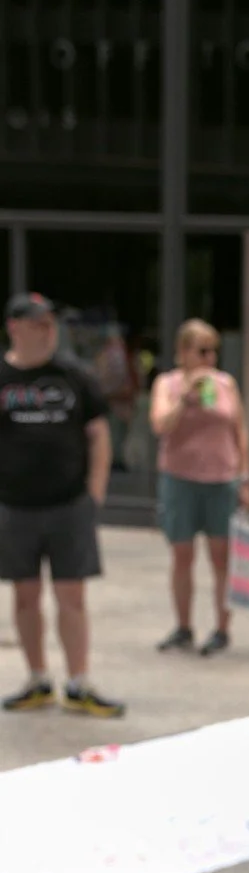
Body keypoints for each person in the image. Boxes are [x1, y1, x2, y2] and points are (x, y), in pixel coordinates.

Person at [0, 291, 123, 717]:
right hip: (14, 506)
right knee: (25, 596)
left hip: (70, 504)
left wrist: (95, 492)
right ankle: (37, 679)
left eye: (51, 324)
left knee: (72, 595)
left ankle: (77, 682)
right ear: (14, 327)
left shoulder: (75, 375)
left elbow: (99, 435)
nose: (48, 331)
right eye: (38, 324)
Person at [149, 318, 249, 656]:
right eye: (202, 351)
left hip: (221, 479)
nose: (210, 358)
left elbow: (239, 432)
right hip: (179, 480)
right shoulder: (167, 383)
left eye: (214, 351)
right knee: (182, 555)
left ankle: (222, 629)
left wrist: (245, 478)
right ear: (183, 352)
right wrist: (185, 397)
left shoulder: (226, 383)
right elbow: (160, 425)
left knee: (220, 557)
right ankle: (183, 627)